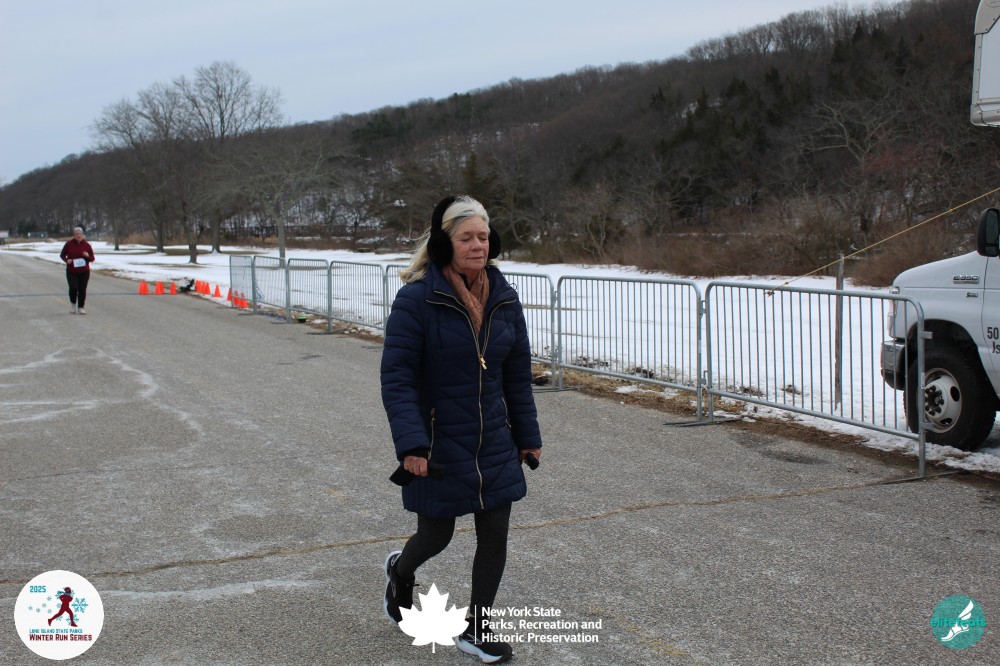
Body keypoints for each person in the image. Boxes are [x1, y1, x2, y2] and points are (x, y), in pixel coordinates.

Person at [380, 195, 542, 664]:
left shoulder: (504, 298)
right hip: (438, 442)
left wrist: (527, 436)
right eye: (467, 237)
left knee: (495, 534)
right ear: (444, 243)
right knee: (437, 535)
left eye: (484, 237)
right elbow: (398, 378)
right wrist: (412, 444)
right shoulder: (417, 299)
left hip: (494, 439)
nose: (478, 246)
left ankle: (478, 627)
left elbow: (517, 375)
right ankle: (400, 573)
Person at [59, 227, 95, 314]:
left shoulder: (87, 245)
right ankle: (73, 304)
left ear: (82, 235)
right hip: (72, 271)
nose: (78, 235)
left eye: (80, 234)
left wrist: (87, 256)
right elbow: (62, 255)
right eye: (76, 234)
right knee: (73, 288)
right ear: (74, 235)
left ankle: (81, 307)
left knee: (82, 289)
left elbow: (92, 258)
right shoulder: (69, 244)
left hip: (84, 271)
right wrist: (67, 260)